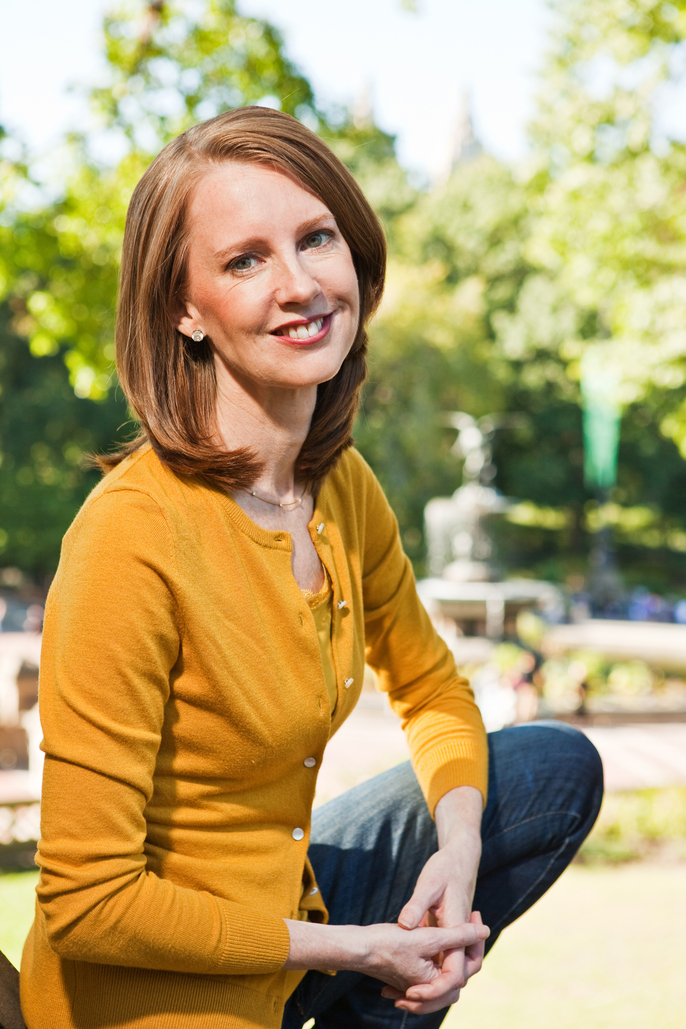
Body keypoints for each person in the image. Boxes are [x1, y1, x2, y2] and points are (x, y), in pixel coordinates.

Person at [19, 107, 603, 1029]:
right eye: (245, 259)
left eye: (315, 237)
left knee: (546, 770)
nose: (300, 283)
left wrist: (455, 860)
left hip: (298, 915)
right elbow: (87, 903)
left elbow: (435, 690)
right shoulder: (130, 538)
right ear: (183, 309)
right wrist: (361, 946)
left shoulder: (338, 486)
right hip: (158, 987)